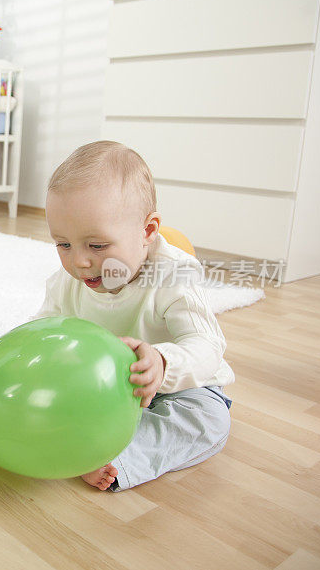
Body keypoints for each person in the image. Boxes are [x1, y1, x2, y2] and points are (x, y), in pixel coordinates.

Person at [35, 141, 234, 491]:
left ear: (147, 232)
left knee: (207, 420)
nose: (79, 261)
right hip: (104, 388)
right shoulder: (66, 282)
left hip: (183, 388)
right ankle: (85, 439)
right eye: (63, 244)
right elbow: (42, 335)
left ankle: (116, 455)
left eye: (96, 246)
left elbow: (208, 345)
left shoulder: (174, 275)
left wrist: (162, 362)